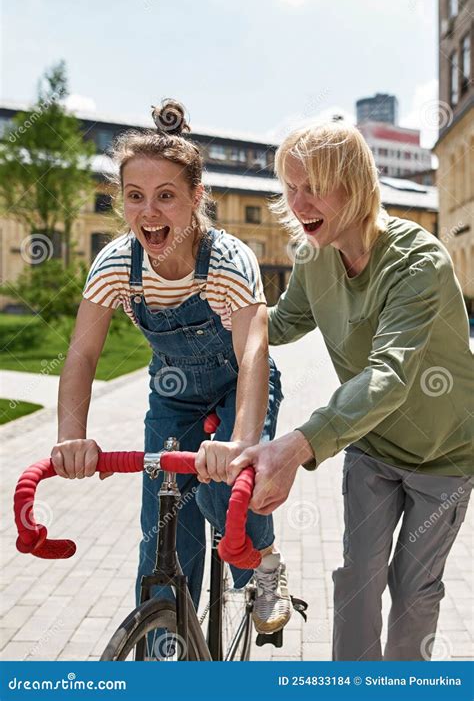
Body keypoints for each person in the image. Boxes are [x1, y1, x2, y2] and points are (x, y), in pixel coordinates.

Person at [228, 120, 473, 660]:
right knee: (358, 579)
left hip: (444, 456)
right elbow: (285, 321)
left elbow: (388, 377)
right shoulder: (314, 257)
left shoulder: (417, 261)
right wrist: (220, 316)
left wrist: (298, 444)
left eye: (312, 186)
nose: (297, 202)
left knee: (413, 592)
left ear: (356, 184)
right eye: (290, 187)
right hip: (370, 447)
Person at [51, 99, 292, 635]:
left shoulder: (229, 261)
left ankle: (265, 563)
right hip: (173, 396)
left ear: (196, 199)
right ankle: (165, 649)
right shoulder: (117, 263)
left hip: (239, 386)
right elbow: (82, 354)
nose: (149, 212)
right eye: (135, 197)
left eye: (166, 196)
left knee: (227, 487)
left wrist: (242, 445)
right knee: (163, 528)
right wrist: (72, 436)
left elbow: (253, 352)